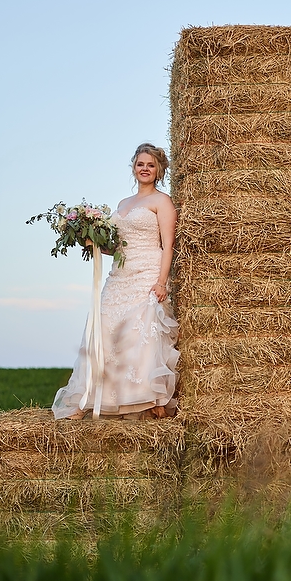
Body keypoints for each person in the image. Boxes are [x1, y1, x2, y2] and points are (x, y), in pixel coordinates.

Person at [52, 143, 179, 420]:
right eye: (140, 164)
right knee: (105, 330)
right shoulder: (123, 204)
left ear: (158, 170)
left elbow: (168, 246)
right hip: (119, 275)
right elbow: (118, 247)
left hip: (147, 272)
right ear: (133, 168)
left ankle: (150, 398)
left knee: (140, 333)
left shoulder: (162, 201)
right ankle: (89, 399)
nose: (144, 169)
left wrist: (161, 282)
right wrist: (93, 243)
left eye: (150, 165)